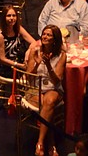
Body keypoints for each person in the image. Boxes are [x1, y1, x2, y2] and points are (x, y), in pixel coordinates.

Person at [27, 24, 66, 156]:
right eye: (44, 34)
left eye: (49, 35)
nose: (45, 36)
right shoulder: (35, 51)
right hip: (36, 88)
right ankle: (51, 143)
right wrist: (37, 63)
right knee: (48, 108)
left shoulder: (62, 55)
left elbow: (56, 81)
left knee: (49, 101)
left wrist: (48, 65)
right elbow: (28, 77)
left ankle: (40, 142)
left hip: (53, 89)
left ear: (55, 39)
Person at [0, 6, 34, 78]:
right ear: (4, 18)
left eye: (14, 15)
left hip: (20, 60)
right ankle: (25, 83)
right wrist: (19, 65)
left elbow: (33, 42)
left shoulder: (18, 28)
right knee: (33, 70)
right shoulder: (0, 35)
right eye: (9, 16)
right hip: (8, 66)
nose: (12, 18)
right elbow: (2, 59)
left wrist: (28, 52)